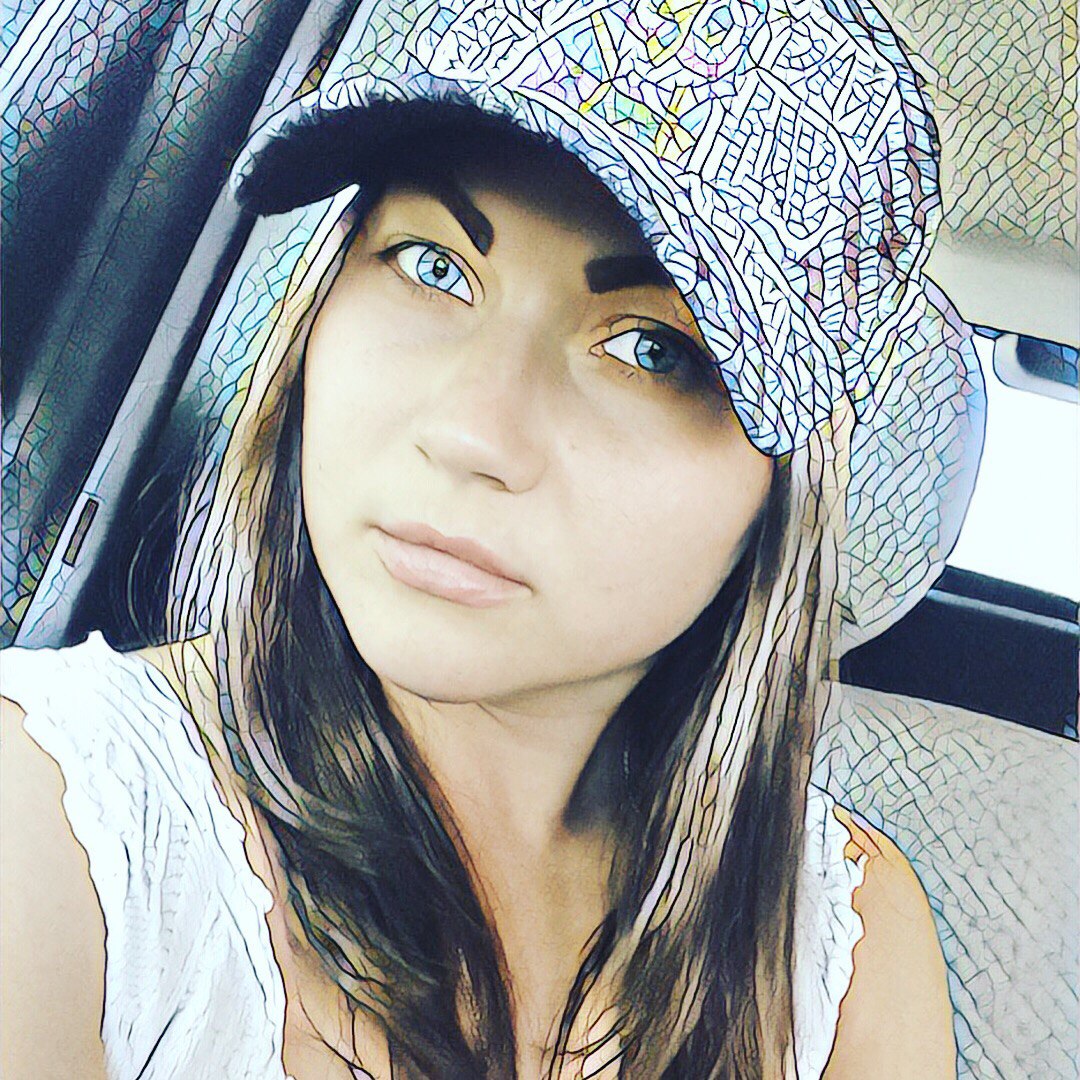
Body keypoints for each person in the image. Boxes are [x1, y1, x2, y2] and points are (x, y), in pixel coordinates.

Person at [1, 0, 985, 1077]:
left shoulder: (842, 948)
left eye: (651, 349)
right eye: (432, 265)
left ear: (781, 484)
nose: (473, 431)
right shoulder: (55, 821)